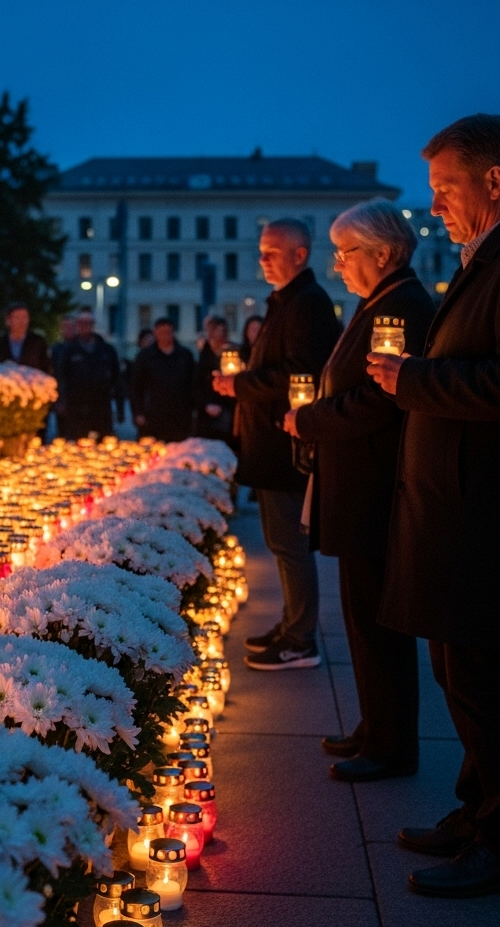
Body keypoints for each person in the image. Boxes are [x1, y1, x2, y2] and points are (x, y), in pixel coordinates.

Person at [367, 115, 500, 898]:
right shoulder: (493, 257)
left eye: (445, 188)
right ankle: (476, 813)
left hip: (487, 518)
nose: (433, 204)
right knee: (459, 671)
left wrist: (414, 381)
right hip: (459, 513)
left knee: (485, 681)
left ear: (494, 181)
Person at [283, 199, 434, 783]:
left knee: (379, 622)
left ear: (383, 253)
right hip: (357, 486)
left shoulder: (401, 307)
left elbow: (381, 399)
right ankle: (376, 727)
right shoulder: (378, 303)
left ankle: (392, 744)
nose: (338, 264)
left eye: (346, 252)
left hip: (374, 490)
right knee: (362, 618)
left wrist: (312, 420)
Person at [213, 218, 340, 670]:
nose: (262, 259)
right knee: (280, 539)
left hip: (285, 443)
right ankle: (291, 624)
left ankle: (301, 638)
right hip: (272, 440)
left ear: (300, 254)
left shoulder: (307, 303)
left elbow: (300, 370)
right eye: (261, 251)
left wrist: (242, 385)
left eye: (271, 251)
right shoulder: (288, 301)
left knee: (288, 542)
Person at [129, 317, 197, 441]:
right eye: (162, 332)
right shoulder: (145, 356)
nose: (165, 336)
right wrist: (138, 412)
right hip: (153, 415)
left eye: (168, 332)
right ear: (155, 333)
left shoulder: (184, 355)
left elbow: (193, 384)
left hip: (179, 415)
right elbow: (136, 386)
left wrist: (194, 410)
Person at [57, 310, 120, 440]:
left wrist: (120, 408)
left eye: (88, 323)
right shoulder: (68, 351)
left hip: (101, 407)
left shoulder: (106, 350)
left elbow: (117, 379)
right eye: (81, 323)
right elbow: (62, 377)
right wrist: (61, 401)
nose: (85, 326)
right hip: (76, 408)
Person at [196, 316, 236, 443]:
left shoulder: (233, 353)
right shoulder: (204, 356)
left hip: (228, 409)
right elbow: (196, 384)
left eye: (223, 331)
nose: (220, 335)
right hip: (208, 412)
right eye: (216, 331)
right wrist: (206, 404)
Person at [0, 302, 52, 373]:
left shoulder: (38, 342)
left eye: (25, 317)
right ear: (8, 321)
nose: (22, 322)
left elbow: (46, 367)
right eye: (17, 318)